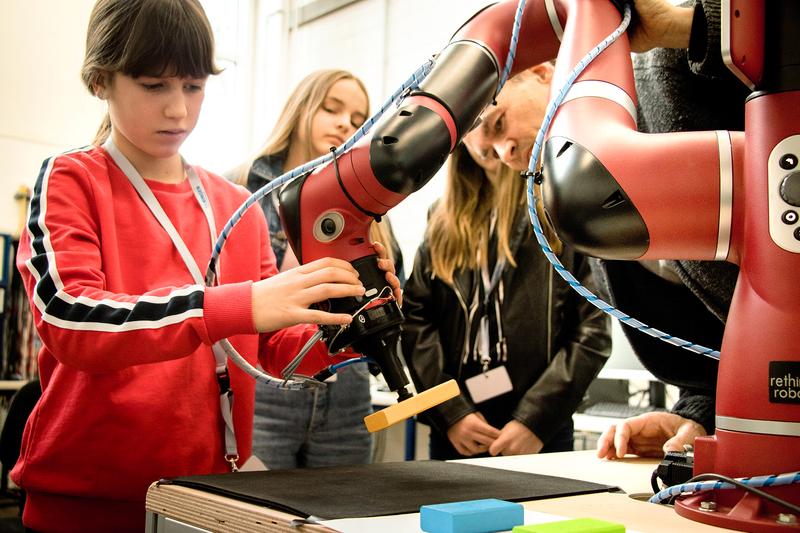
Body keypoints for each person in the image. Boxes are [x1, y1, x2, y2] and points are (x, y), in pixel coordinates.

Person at [12, 2, 400, 531]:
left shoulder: (232, 204)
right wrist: (238, 304)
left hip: (202, 502)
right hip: (85, 505)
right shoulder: (71, 179)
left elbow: (269, 354)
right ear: (102, 80)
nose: (178, 111)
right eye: (155, 87)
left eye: (193, 87)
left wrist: (345, 325)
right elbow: (71, 320)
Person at [467, 0, 748, 460]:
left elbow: (772, 41)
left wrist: (680, 28)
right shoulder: (586, 212)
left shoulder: (668, 71)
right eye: (489, 154)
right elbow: (713, 354)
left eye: (499, 125)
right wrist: (697, 414)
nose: (506, 152)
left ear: (542, 72)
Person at [400, 132, 611, 460]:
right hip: (458, 430)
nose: (485, 141)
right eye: (474, 126)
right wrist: (450, 413)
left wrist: (535, 420)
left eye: (497, 124)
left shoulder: (560, 213)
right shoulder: (441, 218)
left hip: (542, 429)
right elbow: (415, 321)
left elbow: (593, 330)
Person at [239, 69, 404, 469]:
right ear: (302, 109)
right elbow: (237, 303)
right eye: (332, 109)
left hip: (348, 391)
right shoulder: (245, 191)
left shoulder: (370, 205)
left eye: (357, 118)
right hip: (269, 390)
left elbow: (395, 294)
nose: (344, 124)